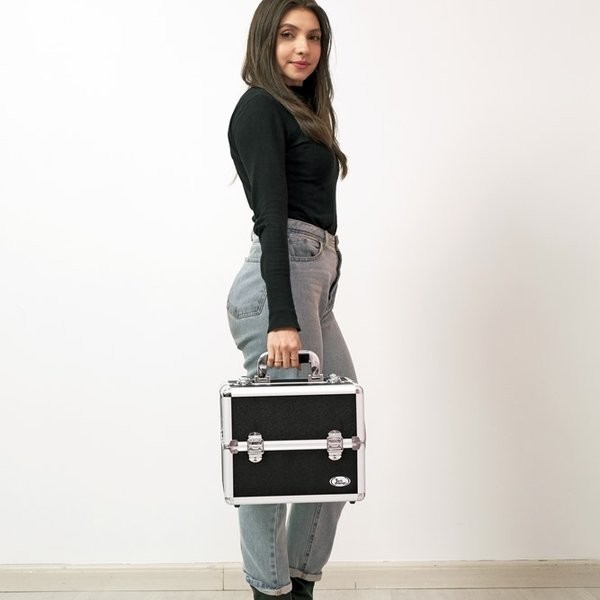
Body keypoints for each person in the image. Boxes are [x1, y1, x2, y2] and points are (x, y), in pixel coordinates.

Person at [226, 1, 356, 597]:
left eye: (314, 37)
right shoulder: (259, 107)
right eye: (287, 35)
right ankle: (269, 589)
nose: (303, 48)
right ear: (265, 40)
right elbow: (271, 218)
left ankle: (299, 581)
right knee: (271, 455)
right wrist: (283, 317)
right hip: (281, 287)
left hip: (313, 284)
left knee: (337, 439)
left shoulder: (303, 111)